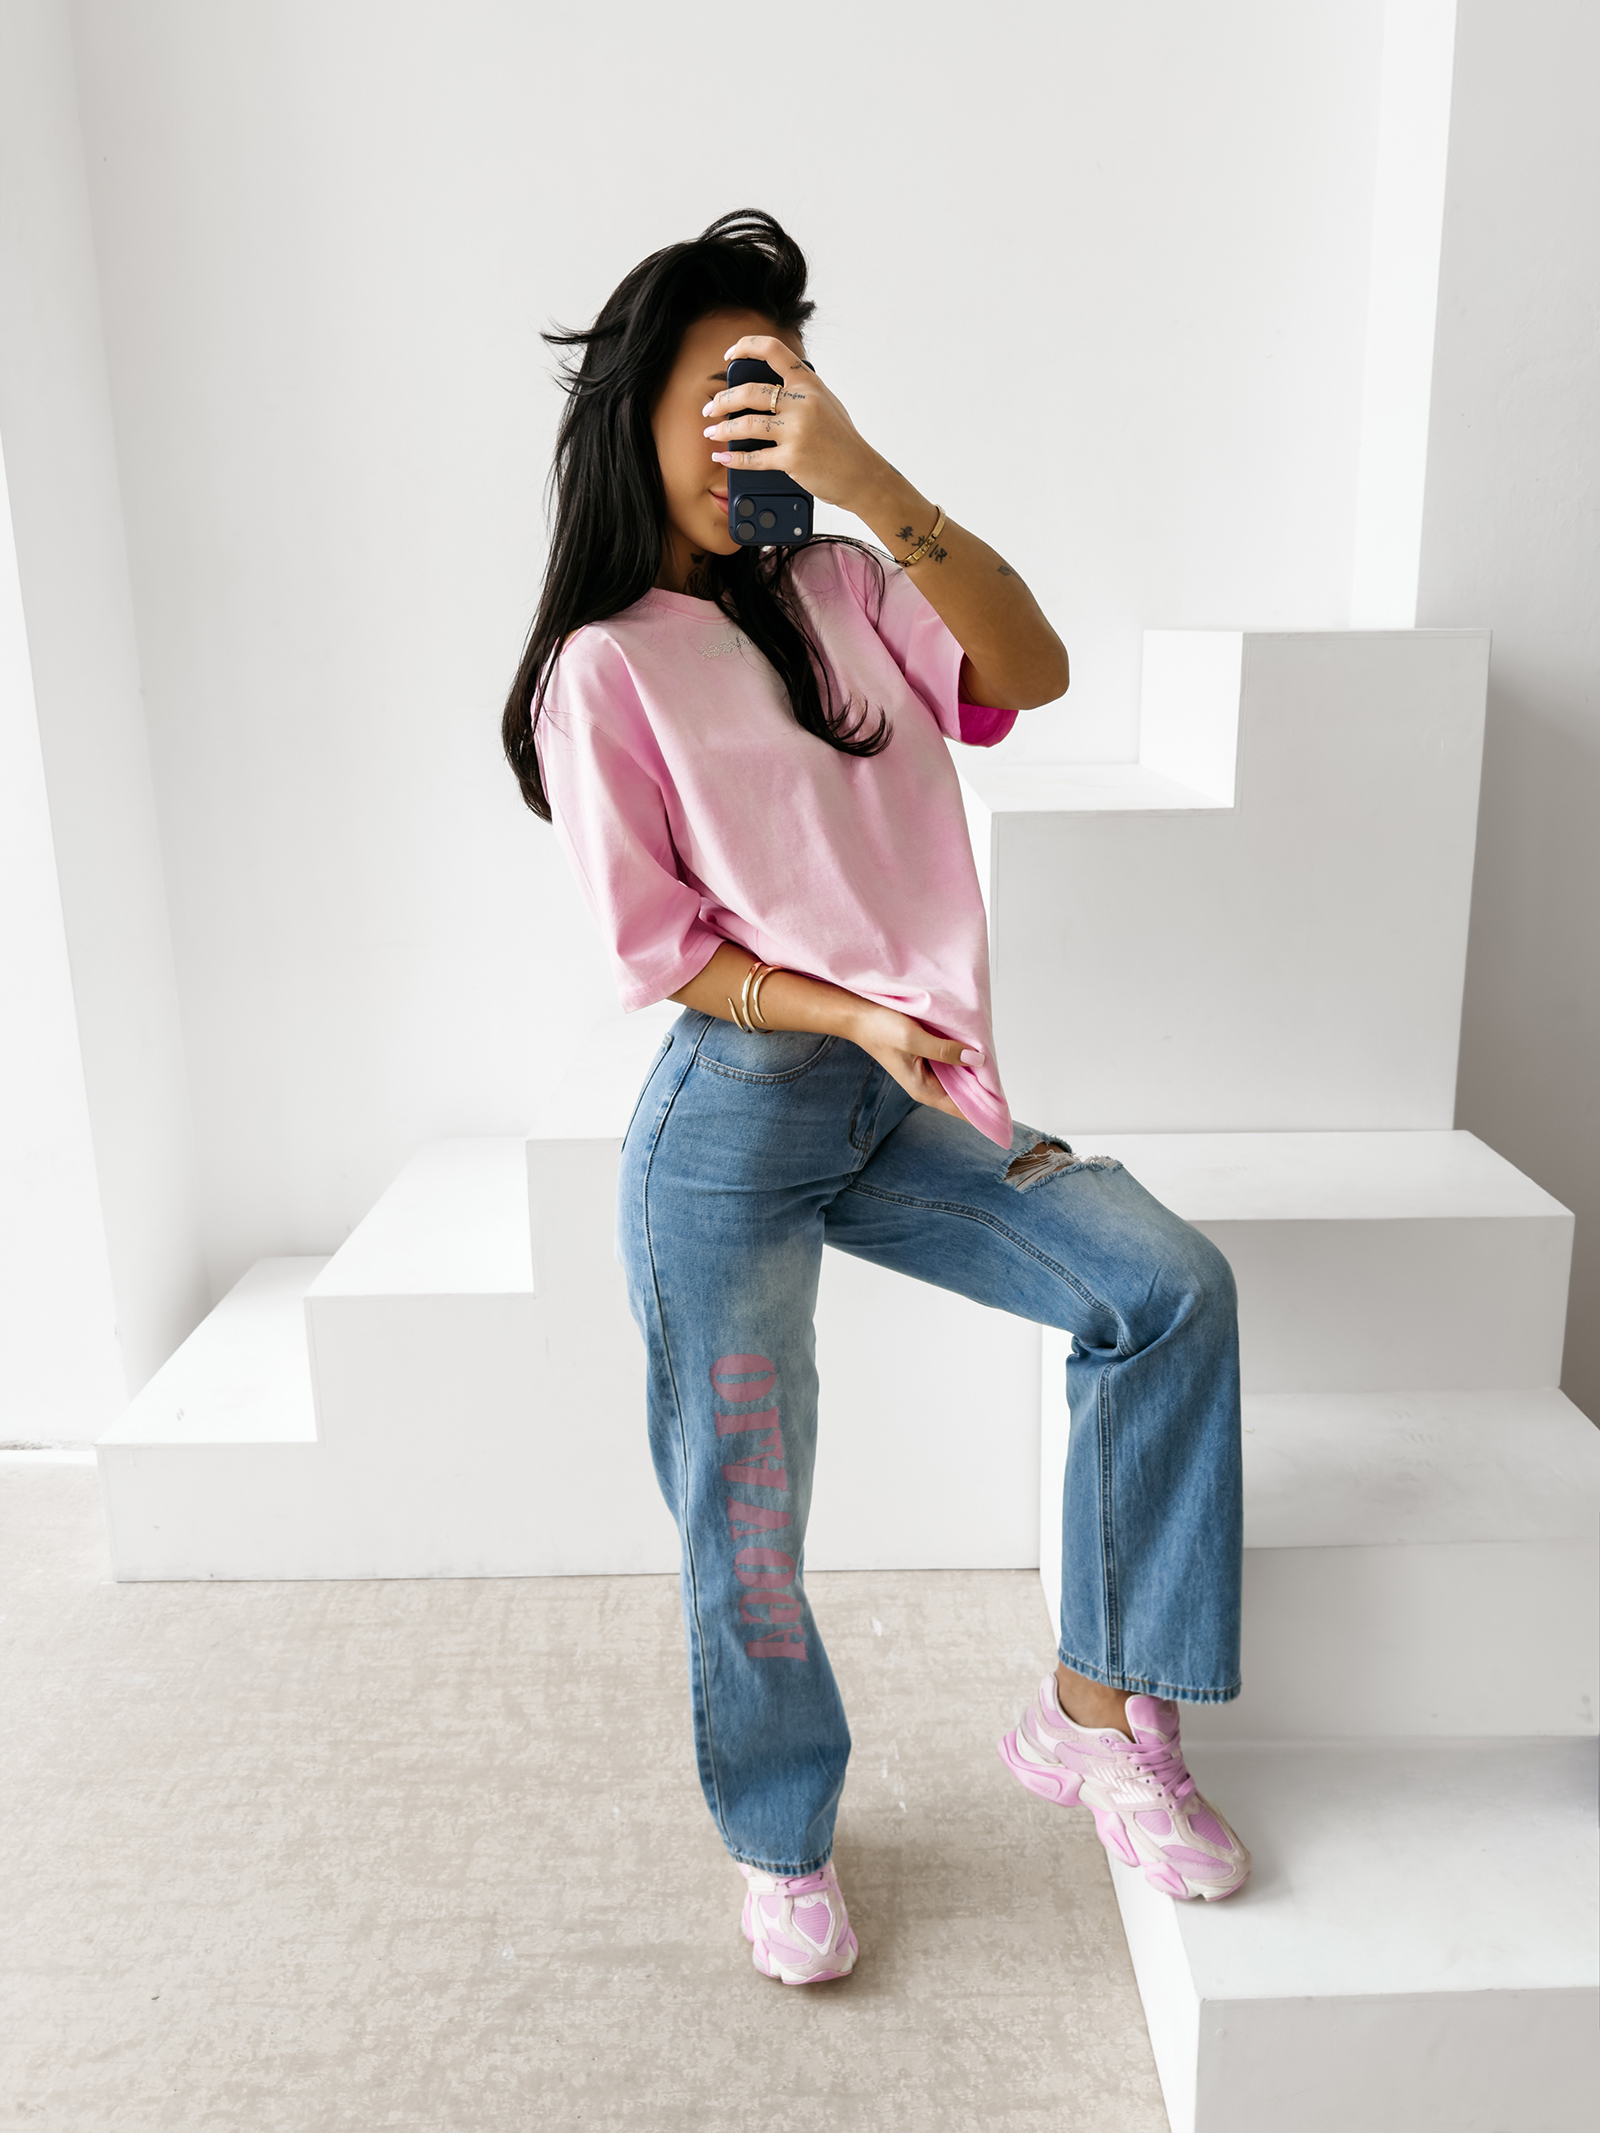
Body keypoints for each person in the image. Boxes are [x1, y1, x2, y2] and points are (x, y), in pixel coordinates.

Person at [503, 210, 1250, 1986]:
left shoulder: (845, 585)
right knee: (751, 1511)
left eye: (779, 389)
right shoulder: (604, 667)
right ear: (638, 410)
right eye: (720, 391)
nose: (750, 425)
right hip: (734, 1127)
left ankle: (1091, 1715)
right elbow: (664, 951)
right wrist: (852, 1012)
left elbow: (1031, 671)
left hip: (897, 1099)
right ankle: (781, 1837)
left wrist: (869, 480)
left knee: (1164, 1289)